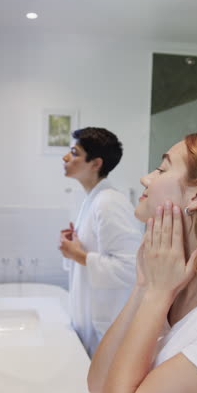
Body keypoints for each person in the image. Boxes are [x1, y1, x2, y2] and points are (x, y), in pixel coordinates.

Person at [88, 131, 197, 393]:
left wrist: (155, 294)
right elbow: (98, 382)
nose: (145, 178)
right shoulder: (171, 296)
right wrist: (143, 287)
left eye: (162, 169)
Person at [59, 127, 142, 358]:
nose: (66, 157)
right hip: (91, 322)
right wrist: (73, 250)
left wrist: (79, 256)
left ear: (95, 163)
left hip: (105, 327)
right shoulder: (92, 201)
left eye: (74, 153)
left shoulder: (109, 203)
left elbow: (130, 268)